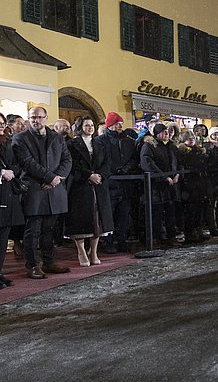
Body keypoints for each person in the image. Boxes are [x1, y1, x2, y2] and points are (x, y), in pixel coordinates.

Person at [12, 106, 72, 278]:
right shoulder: (20, 138)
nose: (35, 120)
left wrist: (58, 178)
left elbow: (67, 159)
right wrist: (49, 178)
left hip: (54, 189)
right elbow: (27, 163)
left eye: (39, 117)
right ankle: (32, 265)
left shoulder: (57, 137)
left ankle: (49, 262)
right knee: (33, 230)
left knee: (49, 229)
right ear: (28, 119)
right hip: (34, 188)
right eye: (32, 118)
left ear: (46, 118)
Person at [64, 116, 114, 266]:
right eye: (86, 125)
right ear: (80, 127)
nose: (90, 128)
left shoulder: (100, 143)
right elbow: (72, 164)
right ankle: (81, 251)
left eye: (92, 125)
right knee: (81, 220)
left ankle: (94, 252)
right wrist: (88, 175)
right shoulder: (72, 144)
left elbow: (107, 163)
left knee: (97, 220)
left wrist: (100, 175)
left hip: (99, 185)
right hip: (80, 186)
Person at [97, 111, 138, 254]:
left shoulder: (128, 141)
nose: (120, 126)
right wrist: (111, 170)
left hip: (125, 184)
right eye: (117, 124)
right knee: (109, 214)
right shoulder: (101, 141)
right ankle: (108, 241)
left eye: (121, 124)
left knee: (124, 214)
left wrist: (126, 168)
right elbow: (100, 160)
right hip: (109, 184)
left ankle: (122, 240)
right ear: (110, 126)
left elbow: (134, 158)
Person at [139, 123, 181, 246]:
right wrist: (164, 177)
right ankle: (158, 238)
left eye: (167, 131)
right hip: (156, 187)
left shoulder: (172, 146)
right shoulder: (149, 146)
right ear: (157, 134)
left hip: (172, 185)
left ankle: (171, 236)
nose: (166, 133)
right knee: (156, 214)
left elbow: (178, 162)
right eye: (163, 132)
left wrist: (177, 174)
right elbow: (148, 163)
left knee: (170, 213)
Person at [0, 113, 24, 288]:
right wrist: (1, 172)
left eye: (1, 123)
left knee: (3, 237)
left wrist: (12, 171)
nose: (1, 125)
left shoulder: (7, 142)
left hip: (7, 192)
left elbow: (16, 162)